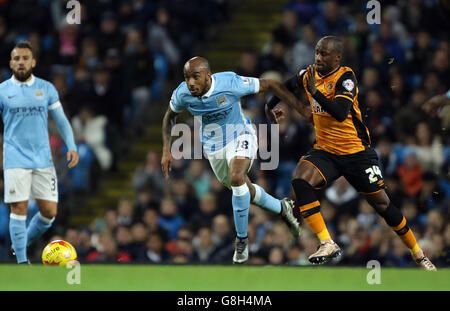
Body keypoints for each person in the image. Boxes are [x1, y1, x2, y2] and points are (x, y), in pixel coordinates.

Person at [266, 36, 436, 270]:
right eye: (316, 52)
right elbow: (284, 87)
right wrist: (270, 105)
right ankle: (326, 242)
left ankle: (419, 255)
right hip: (325, 150)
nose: (318, 57)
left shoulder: (346, 78)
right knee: (300, 180)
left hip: (356, 152)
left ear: (337, 57)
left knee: (383, 206)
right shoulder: (308, 74)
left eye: (324, 54)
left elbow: (339, 112)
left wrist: (315, 94)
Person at [161, 56, 311, 264]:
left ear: (208, 75)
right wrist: (166, 149)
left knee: (237, 177)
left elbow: (271, 85)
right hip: (214, 149)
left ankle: (242, 241)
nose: (191, 82)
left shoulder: (230, 83)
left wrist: (299, 109)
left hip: (241, 134)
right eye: (187, 78)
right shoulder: (182, 94)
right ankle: (282, 208)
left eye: (196, 77)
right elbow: (170, 117)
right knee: (243, 190)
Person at [0, 42, 79, 264]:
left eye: (25, 58)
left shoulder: (46, 88)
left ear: (33, 62)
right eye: (17, 58)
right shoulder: (3, 91)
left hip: (43, 159)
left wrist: (71, 145)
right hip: (14, 158)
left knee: (49, 213)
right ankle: (23, 262)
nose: (21, 62)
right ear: (11, 63)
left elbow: (61, 120)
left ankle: (21, 244)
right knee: (19, 207)